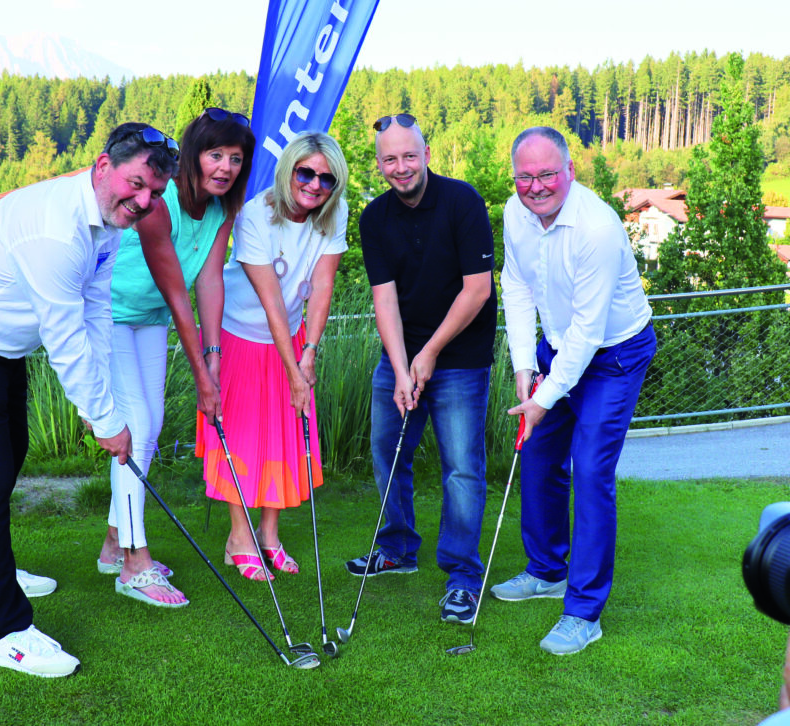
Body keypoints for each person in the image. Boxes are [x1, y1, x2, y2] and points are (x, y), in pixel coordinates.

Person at [0, 122, 178, 677]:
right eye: (135, 184)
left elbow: (96, 312)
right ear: (103, 165)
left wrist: (102, 407)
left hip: (0, 346)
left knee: (9, 454)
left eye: (154, 193)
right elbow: (65, 340)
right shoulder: (56, 231)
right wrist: (107, 421)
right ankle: (4, 631)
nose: (143, 202)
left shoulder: (107, 221)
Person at [493, 126, 656, 655]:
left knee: (589, 471)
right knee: (537, 456)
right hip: (556, 345)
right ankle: (546, 571)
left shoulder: (598, 228)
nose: (535, 186)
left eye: (546, 175)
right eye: (525, 176)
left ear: (569, 172)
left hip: (614, 354)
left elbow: (589, 333)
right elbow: (515, 286)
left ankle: (585, 612)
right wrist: (523, 368)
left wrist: (542, 398)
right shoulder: (515, 214)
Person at [95, 108, 254, 607]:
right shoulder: (161, 204)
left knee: (153, 423)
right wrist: (202, 377)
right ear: (192, 155)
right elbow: (178, 293)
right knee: (136, 425)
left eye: (235, 158)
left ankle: (112, 546)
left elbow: (208, 281)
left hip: (150, 318)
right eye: (214, 154)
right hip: (110, 311)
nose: (225, 166)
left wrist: (214, 355)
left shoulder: (223, 211)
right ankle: (135, 564)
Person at [343, 113, 497, 628]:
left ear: (426, 154)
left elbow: (477, 289)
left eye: (409, 155)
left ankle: (461, 577)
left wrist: (427, 354)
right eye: (390, 158)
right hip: (400, 357)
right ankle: (397, 548)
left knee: (461, 469)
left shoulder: (463, 202)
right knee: (388, 451)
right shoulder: (374, 218)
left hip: (459, 358)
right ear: (380, 163)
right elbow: (383, 299)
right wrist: (400, 365)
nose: (401, 166)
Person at [196, 131, 348, 580]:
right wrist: (295, 368)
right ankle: (238, 538)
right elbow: (272, 304)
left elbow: (321, 287)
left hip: (294, 338)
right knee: (242, 440)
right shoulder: (256, 215)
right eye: (306, 173)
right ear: (289, 172)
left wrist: (311, 352)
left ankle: (269, 535)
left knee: (281, 437)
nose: (315, 185)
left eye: (326, 178)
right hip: (243, 335)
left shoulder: (332, 212)